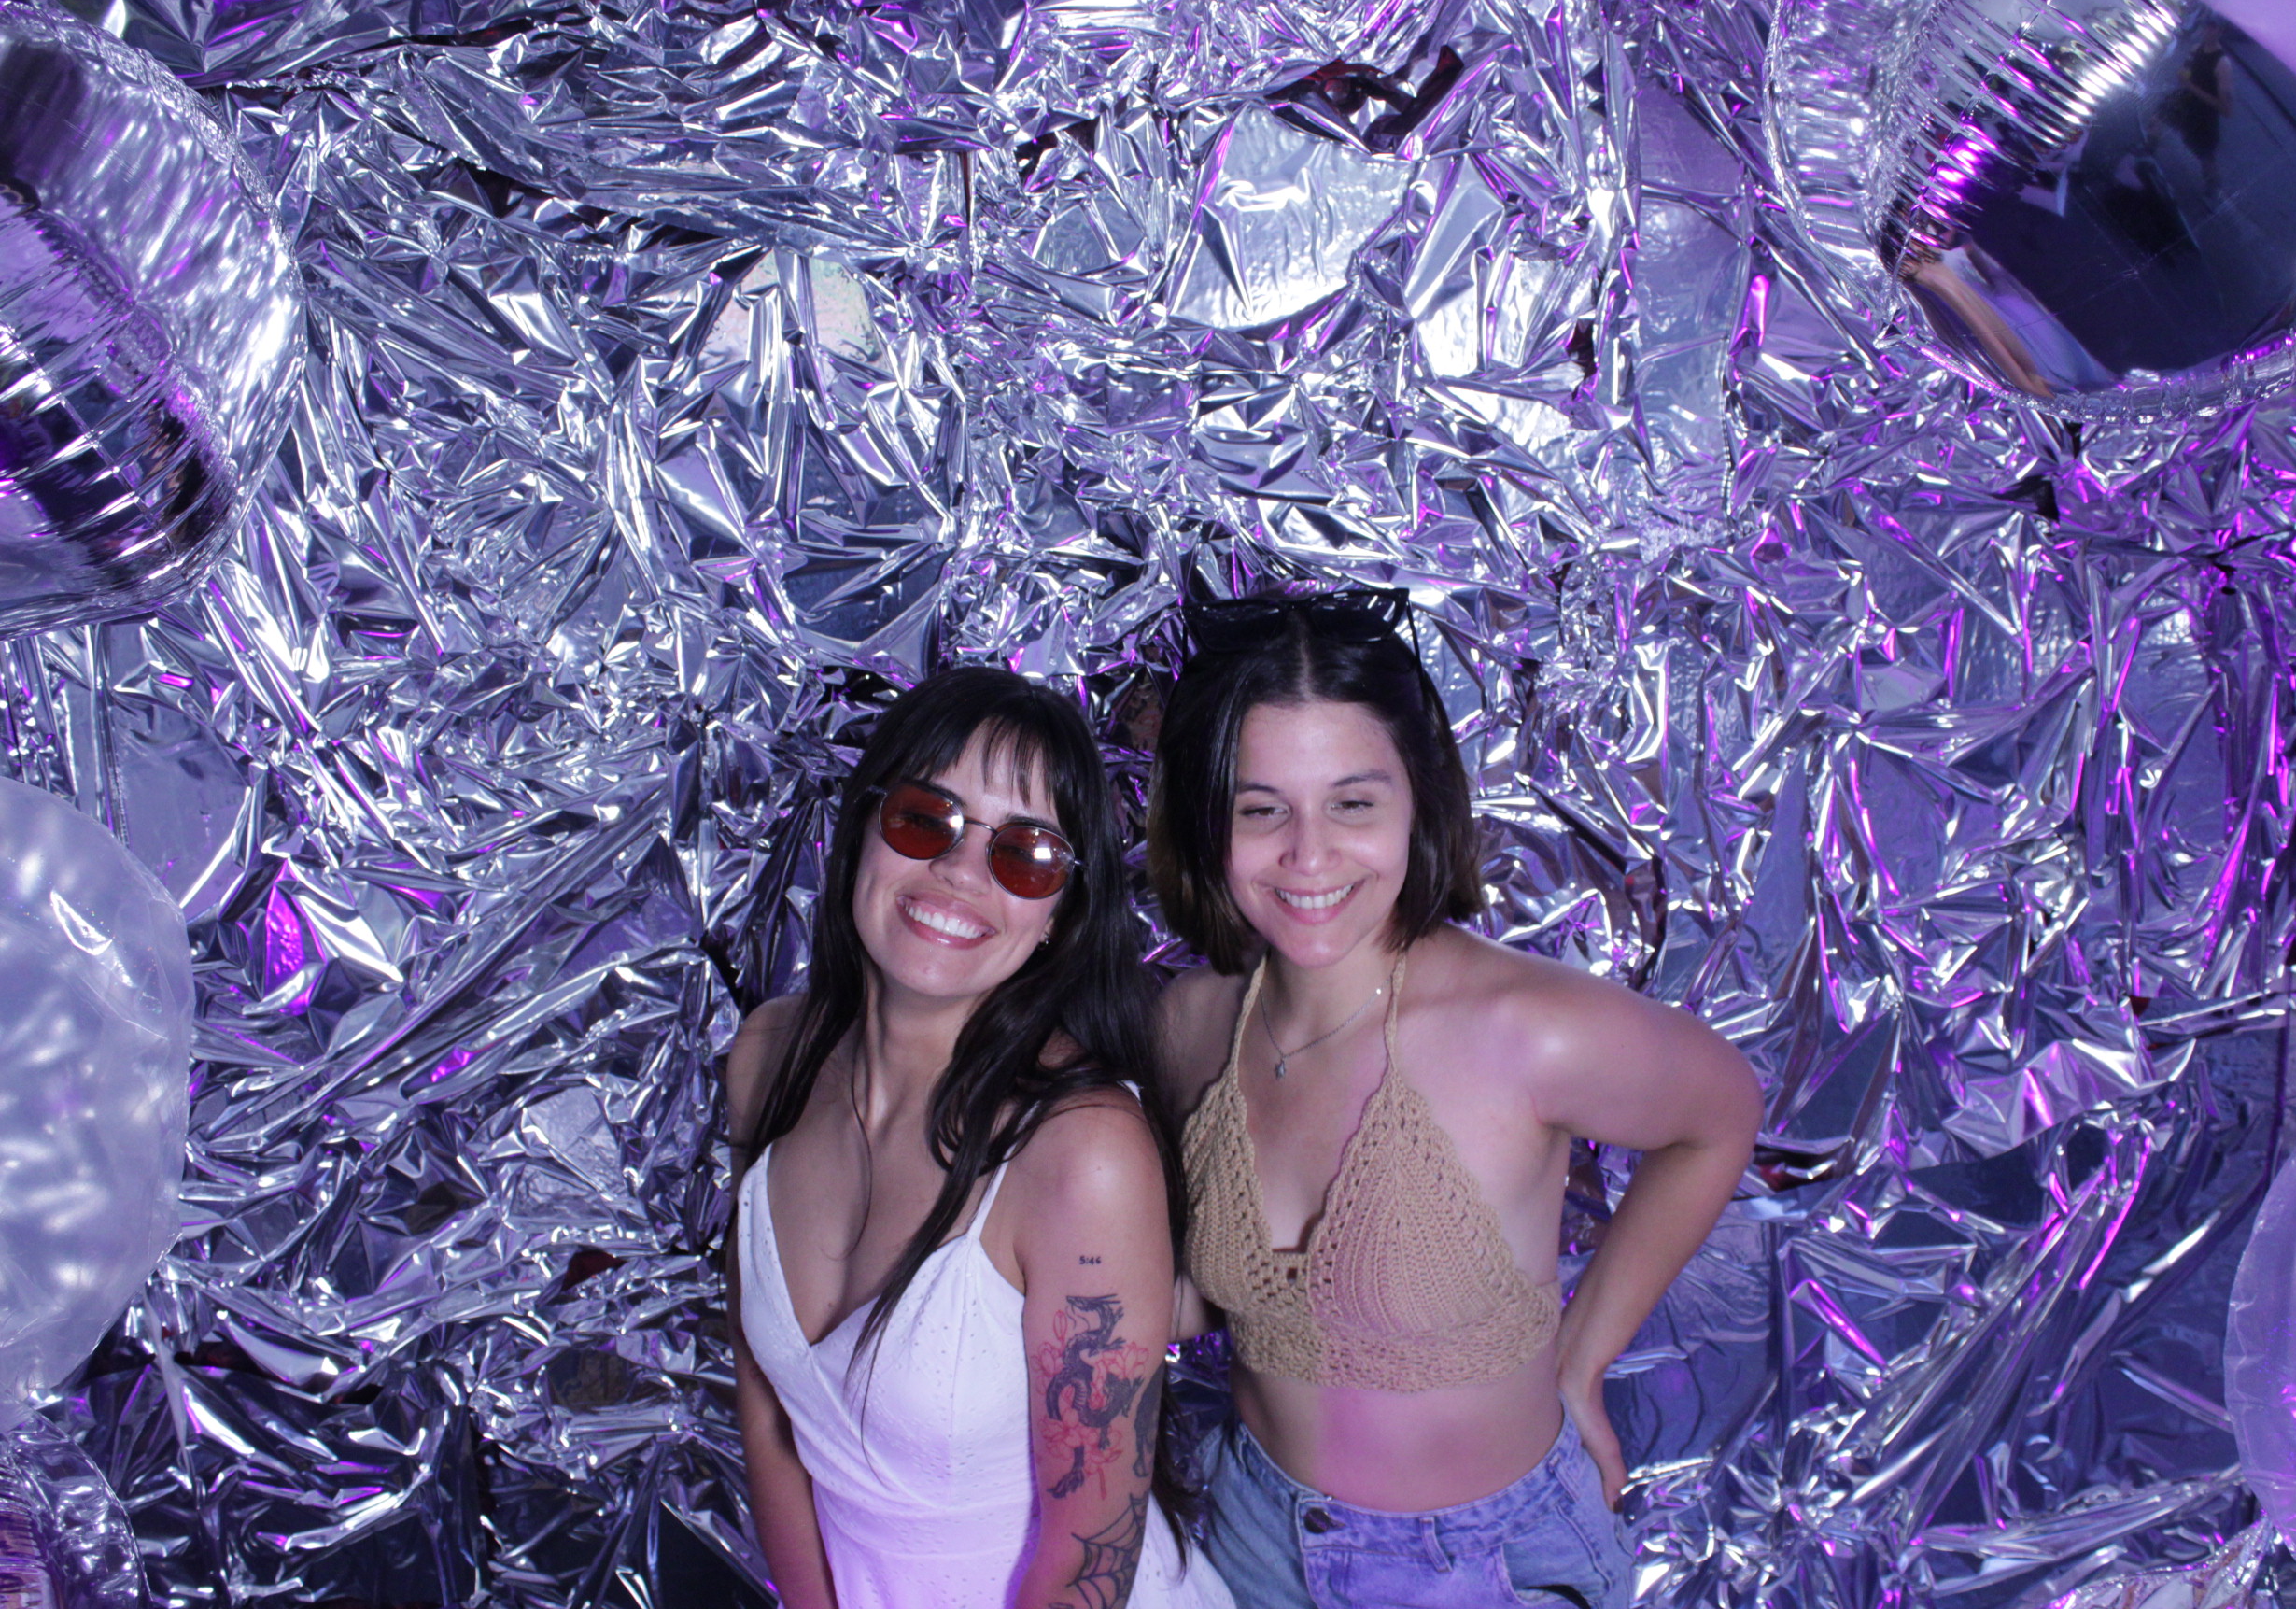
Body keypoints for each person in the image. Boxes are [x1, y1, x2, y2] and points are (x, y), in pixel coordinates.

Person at [1148, 589, 1764, 1609]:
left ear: (1418, 800)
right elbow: (1237, 1296)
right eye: (1261, 809)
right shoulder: (1192, 1027)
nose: (1308, 855)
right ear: (1207, 821)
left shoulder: (1524, 1030)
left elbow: (1722, 1113)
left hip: (1482, 1567)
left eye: (1353, 803)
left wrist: (1582, 1361)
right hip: (1249, 1536)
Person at [724, 666, 1235, 1609]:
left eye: (1026, 855)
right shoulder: (766, 1061)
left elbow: (1088, 1558)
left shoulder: (1082, 1154)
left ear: (1057, 915)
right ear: (864, 828)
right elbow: (769, 1419)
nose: (960, 873)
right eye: (927, 818)